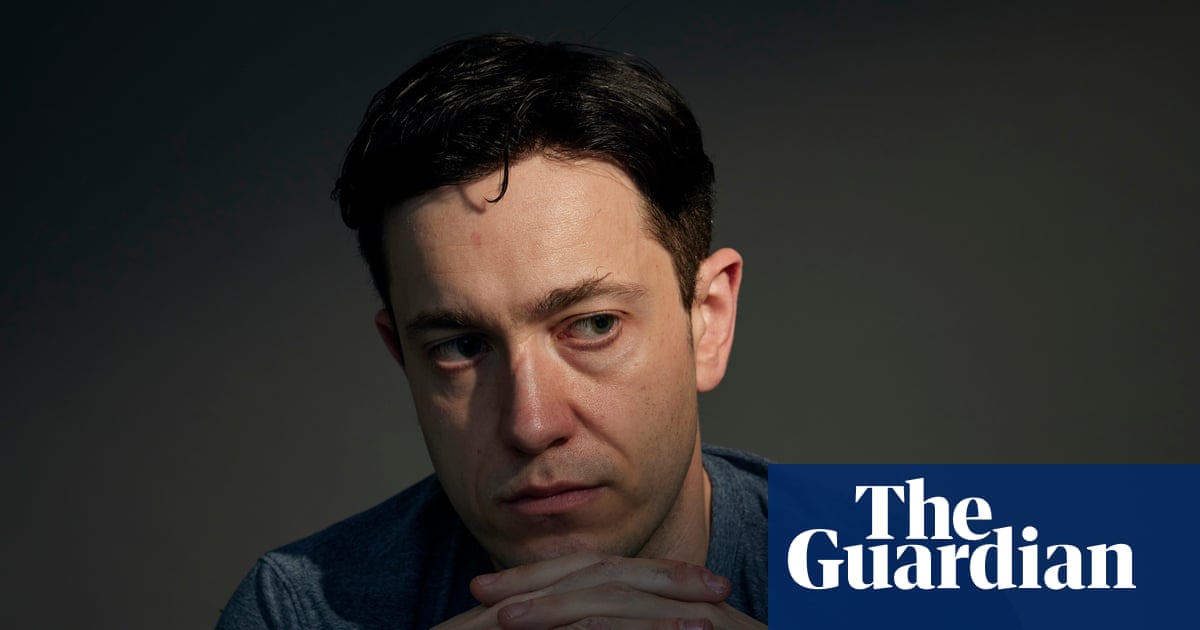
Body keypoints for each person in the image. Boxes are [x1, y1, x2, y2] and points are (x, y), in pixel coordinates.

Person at [216, 33, 768, 629]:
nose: (531, 426)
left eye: (593, 325)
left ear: (708, 319)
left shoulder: (849, 562)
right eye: (461, 346)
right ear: (402, 356)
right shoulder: (299, 612)